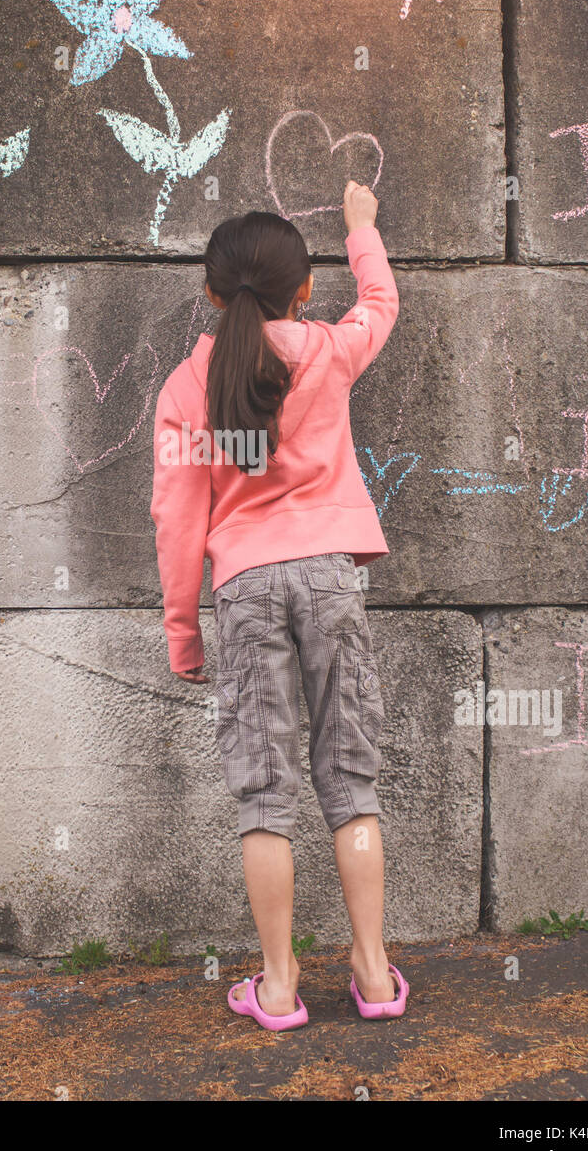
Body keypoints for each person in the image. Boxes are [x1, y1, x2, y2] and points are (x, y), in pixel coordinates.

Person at [150, 180, 407, 1031]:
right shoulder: (328, 350)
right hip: (332, 577)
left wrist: (184, 632)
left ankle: (278, 985)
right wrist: (361, 230)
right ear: (303, 291)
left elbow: (177, 517)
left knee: (265, 791)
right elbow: (381, 303)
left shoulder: (189, 388)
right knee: (350, 776)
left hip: (245, 587)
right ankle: (372, 976)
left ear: (212, 297)